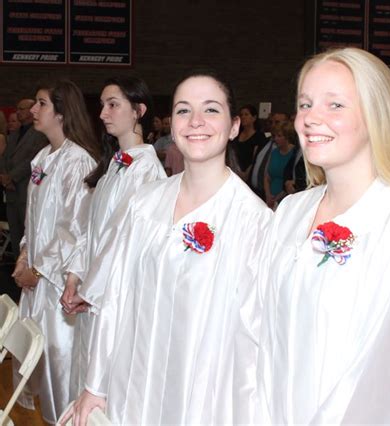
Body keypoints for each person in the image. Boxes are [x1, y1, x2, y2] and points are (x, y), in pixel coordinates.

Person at [61, 69, 272, 425]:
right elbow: (117, 296)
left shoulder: (253, 222)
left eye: (211, 110)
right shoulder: (145, 204)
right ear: (171, 125)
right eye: (183, 110)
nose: (196, 122)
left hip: (199, 397)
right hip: (132, 385)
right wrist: (95, 384)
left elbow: (253, 342)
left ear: (234, 126)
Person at [257, 48, 390, 424]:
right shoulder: (290, 213)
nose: (312, 118)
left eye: (335, 105)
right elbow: (260, 331)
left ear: (376, 116)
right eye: (306, 103)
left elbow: (387, 376)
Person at [59, 76, 166, 400]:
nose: (103, 113)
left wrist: (89, 288)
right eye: (102, 105)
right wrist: (74, 276)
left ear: (139, 111)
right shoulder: (113, 169)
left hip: (116, 299)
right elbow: (90, 231)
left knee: (111, 387)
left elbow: (124, 244)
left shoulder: (148, 172)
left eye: (113, 105)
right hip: (94, 294)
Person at [11, 79, 101, 424]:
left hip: (57, 281)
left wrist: (39, 267)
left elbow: (75, 227)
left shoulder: (77, 161)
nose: (33, 111)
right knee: (37, 359)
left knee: (59, 364)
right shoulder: (44, 157)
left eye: (41, 104)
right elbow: (34, 221)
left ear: (62, 113)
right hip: (36, 277)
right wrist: (23, 255)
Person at [0, 99, 48, 257]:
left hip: (25, 188)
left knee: (27, 233)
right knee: (15, 233)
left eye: (22, 109)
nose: (18, 112)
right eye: (17, 108)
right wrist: (5, 177)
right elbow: (5, 157)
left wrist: (12, 177)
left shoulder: (39, 134)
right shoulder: (15, 134)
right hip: (12, 191)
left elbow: (32, 159)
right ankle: (16, 266)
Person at [230, 104, 267, 181]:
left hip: (249, 174)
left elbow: (256, 158)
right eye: (241, 115)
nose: (243, 117)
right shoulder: (236, 134)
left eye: (246, 114)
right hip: (234, 170)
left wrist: (246, 173)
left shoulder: (259, 136)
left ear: (254, 118)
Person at [264, 121, 295, 208]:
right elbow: (267, 177)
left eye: (279, 136)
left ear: (287, 137)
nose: (275, 139)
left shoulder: (294, 154)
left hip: (286, 200)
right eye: (274, 136)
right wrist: (268, 195)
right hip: (270, 198)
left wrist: (277, 198)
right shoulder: (274, 152)